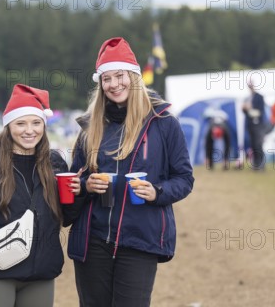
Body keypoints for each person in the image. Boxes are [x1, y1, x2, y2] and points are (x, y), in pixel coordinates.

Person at [66, 37, 194, 307]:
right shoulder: (90, 127)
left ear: (134, 76)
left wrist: (157, 192)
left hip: (139, 239)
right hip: (93, 240)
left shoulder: (164, 122)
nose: (114, 84)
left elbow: (184, 178)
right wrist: (87, 185)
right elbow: (74, 180)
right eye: (107, 79)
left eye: (120, 76)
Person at [0, 84, 81, 307]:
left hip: (41, 274)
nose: (29, 130)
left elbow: (66, 217)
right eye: (21, 123)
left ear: (44, 125)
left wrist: (78, 194)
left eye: (36, 123)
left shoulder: (55, 163)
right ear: (8, 126)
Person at [242, 80, 267, 170]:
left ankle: (261, 164)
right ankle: (255, 164)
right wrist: (244, 109)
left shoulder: (259, 97)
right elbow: (245, 112)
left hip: (258, 125)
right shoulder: (247, 98)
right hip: (250, 125)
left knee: (258, 144)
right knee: (253, 145)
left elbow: (260, 112)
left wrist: (250, 109)